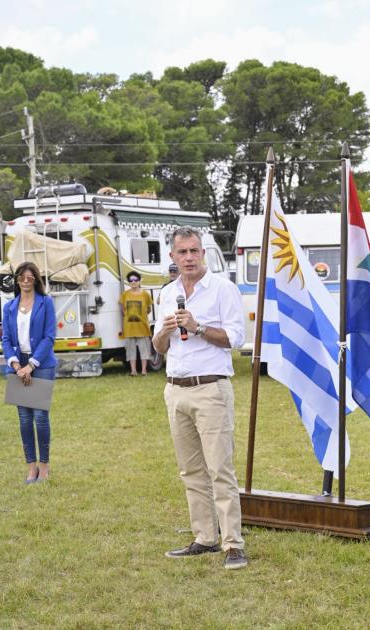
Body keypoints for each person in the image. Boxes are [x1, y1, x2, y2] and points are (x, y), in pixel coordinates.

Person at [153, 226, 247, 570]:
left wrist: (198, 327)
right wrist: (162, 333)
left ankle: (233, 544)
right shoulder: (166, 293)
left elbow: (235, 339)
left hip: (211, 389)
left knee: (220, 468)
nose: (189, 258)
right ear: (172, 257)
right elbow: (159, 348)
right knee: (190, 470)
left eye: (194, 251)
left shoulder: (223, 289)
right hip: (175, 389)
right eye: (182, 253)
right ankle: (204, 537)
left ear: (203, 253)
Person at [2, 262, 57, 483]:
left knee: (40, 417)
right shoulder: (9, 307)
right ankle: (31, 468)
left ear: (36, 279)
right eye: (22, 276)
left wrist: (31, 365)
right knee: (24, 419)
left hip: (41, 365)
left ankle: (44, 467)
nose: (26, 280)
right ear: (17, 280)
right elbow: (5, 339)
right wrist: (16, 365)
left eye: (30, 276)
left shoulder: (46, 303)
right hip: (17, 366)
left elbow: (49, 337)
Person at [119, 271, 152, 376]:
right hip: (129, 328)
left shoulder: (145, 294)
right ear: (129, 282)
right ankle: (133, 371)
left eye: (135, 280)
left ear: (139, 281)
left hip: (142, 327)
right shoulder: (125, 295)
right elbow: (122, 310)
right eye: (131, 280)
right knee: (130, 350)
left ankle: (144, 370)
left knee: (144, 350)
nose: (133, 282)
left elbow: (148, 309)